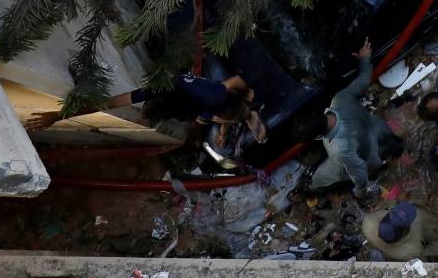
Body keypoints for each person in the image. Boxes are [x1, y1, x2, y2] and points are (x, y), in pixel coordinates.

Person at [28, 69, 266, 142]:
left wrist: (246, 93)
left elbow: (235, 80)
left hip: (220, 100)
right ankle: (244, 115)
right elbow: (104, 104)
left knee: (230, 112)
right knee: (207, 120)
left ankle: (248, 112)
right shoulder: (155, 90)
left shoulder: (213, 95)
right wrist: (58, 116)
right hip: (202, 103)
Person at [305, 40, 403, 199]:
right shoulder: (339, 99)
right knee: (396, 146)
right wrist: (364, 59)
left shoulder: (339, 150)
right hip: (380, 129)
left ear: (317, 136)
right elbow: (363, 80)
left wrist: (360, 193)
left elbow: (359, 174)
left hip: (371, 156)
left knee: (321, 178)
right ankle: (401, 153)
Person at [363, 202, 434, 261]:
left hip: (383, 251)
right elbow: (433, 233)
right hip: (403, 256)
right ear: (403, 234)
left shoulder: (368, 223)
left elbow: (388, 207)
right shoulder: (413, 250)